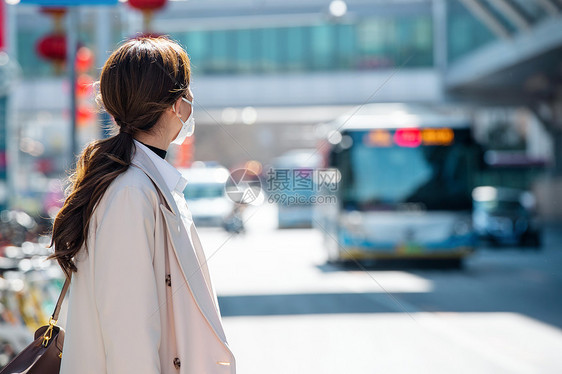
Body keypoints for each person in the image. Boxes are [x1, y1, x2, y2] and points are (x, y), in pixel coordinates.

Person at [48, 36, 236, 373]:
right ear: (175, 103)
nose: (191, 101)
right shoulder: (131, 191)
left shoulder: (140, 182)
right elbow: (128, 332)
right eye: (188, 91)